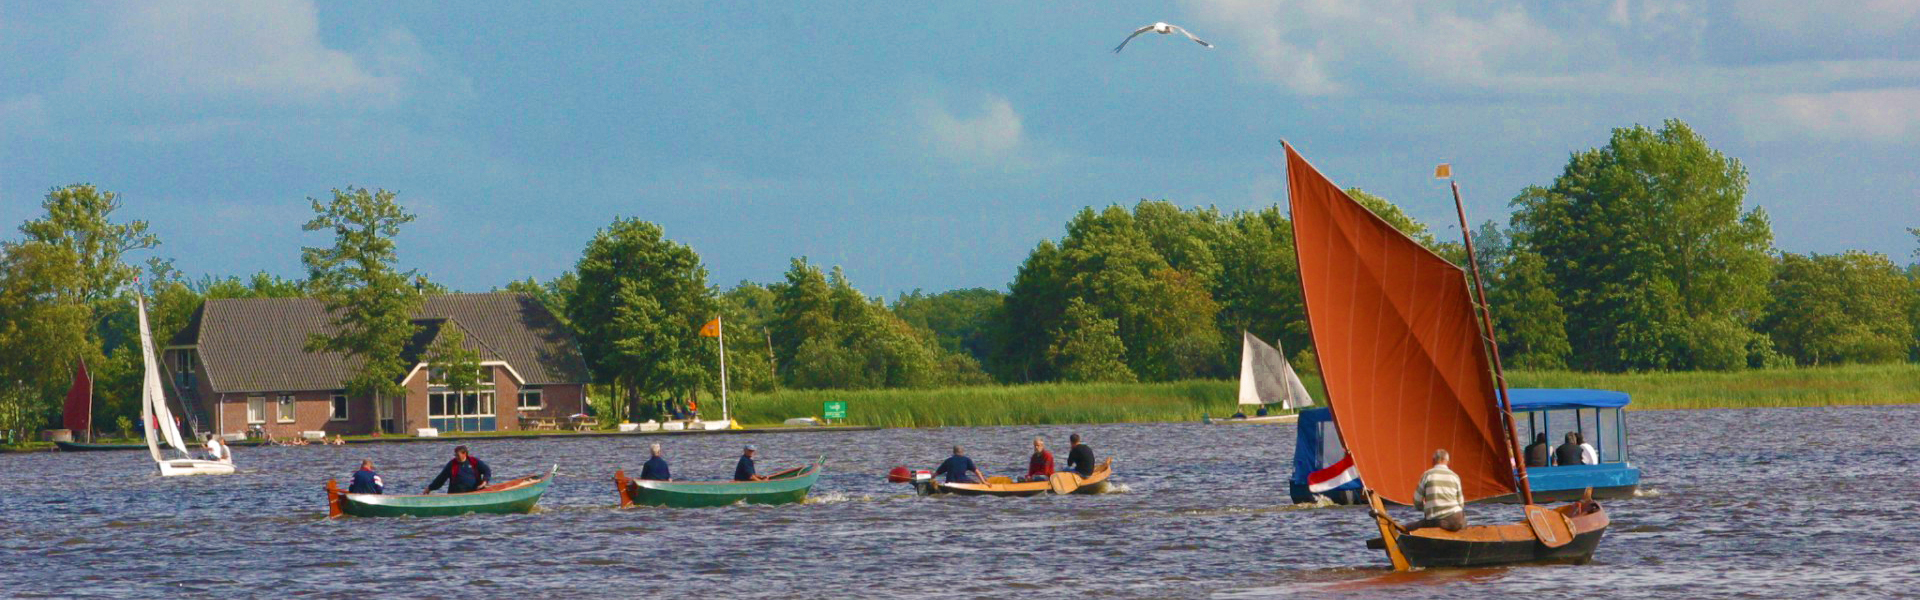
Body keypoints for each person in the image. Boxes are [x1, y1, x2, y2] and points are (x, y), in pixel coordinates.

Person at [1401, 449, 1466, 532]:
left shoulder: (1427, 475)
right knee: (1461, 523)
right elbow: (1461, 504)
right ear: (1448, 462)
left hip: (1437, 522)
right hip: (1457, 520)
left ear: (1433, 461)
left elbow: (1417, 501)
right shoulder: (1455, 476)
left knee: (1408, 528)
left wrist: (1426, 508)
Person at [425, 445, 492, 494]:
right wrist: (430, 488)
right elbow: (441, 478)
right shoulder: (452, 464)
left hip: (474, 491)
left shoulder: (474, 461)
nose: (456, 457)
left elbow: (487, 471)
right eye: (455, 455)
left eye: (458, 455)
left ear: (464, 454)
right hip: (456, 493)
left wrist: (484, 482)